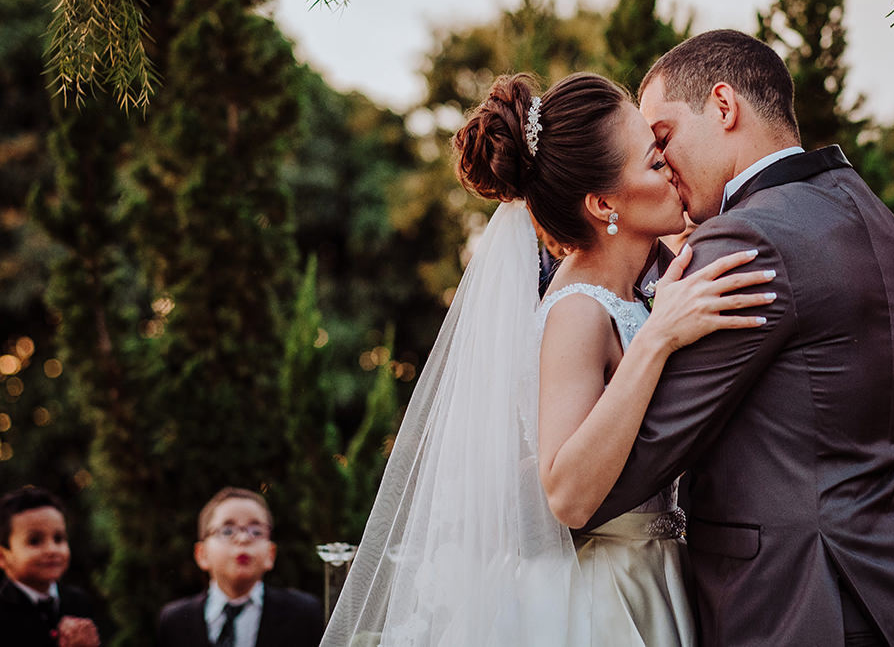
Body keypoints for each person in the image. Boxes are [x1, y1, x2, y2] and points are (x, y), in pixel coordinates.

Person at [320, 72, 775, 646]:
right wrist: (657, 340)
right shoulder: (577, 311)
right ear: (603, 202)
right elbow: (565, 494)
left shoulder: (643, 286)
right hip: (602, 601)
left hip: (656, 571)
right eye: (654, 163)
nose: (671, 169)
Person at [583, 29, 894, 646]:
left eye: (664, 137)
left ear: (724, 106)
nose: (661, 164)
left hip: (797, 604)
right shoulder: (867, 211)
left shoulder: (747, 239)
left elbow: (643, 453)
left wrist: (527, 508)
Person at [158, 487, 323, 647]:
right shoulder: (174, 621)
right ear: (202, 554)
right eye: (228, 531)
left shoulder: (303, 614)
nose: (243, 539)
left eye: (256, 531)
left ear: (270, 555)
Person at [0, 486, 101, 647]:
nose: (52, 550)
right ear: (3, 556)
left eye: (59, 538)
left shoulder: (78, 601)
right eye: (34, 541)